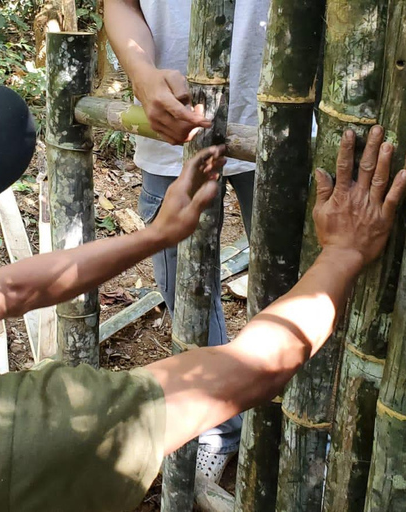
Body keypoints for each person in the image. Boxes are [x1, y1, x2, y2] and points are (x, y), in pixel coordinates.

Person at [0, 86, 404, 512]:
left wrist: (158, 234)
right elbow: (254, 368)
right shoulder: (9, 438)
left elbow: (14, 288)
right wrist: (345, 252)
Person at [104, 0, 270, 478]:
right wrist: (141, 73)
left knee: (291, 281)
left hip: (285, 115)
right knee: (185, 292)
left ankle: (291, 421)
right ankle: (220, 426)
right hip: (172, 127)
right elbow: (119, 4)